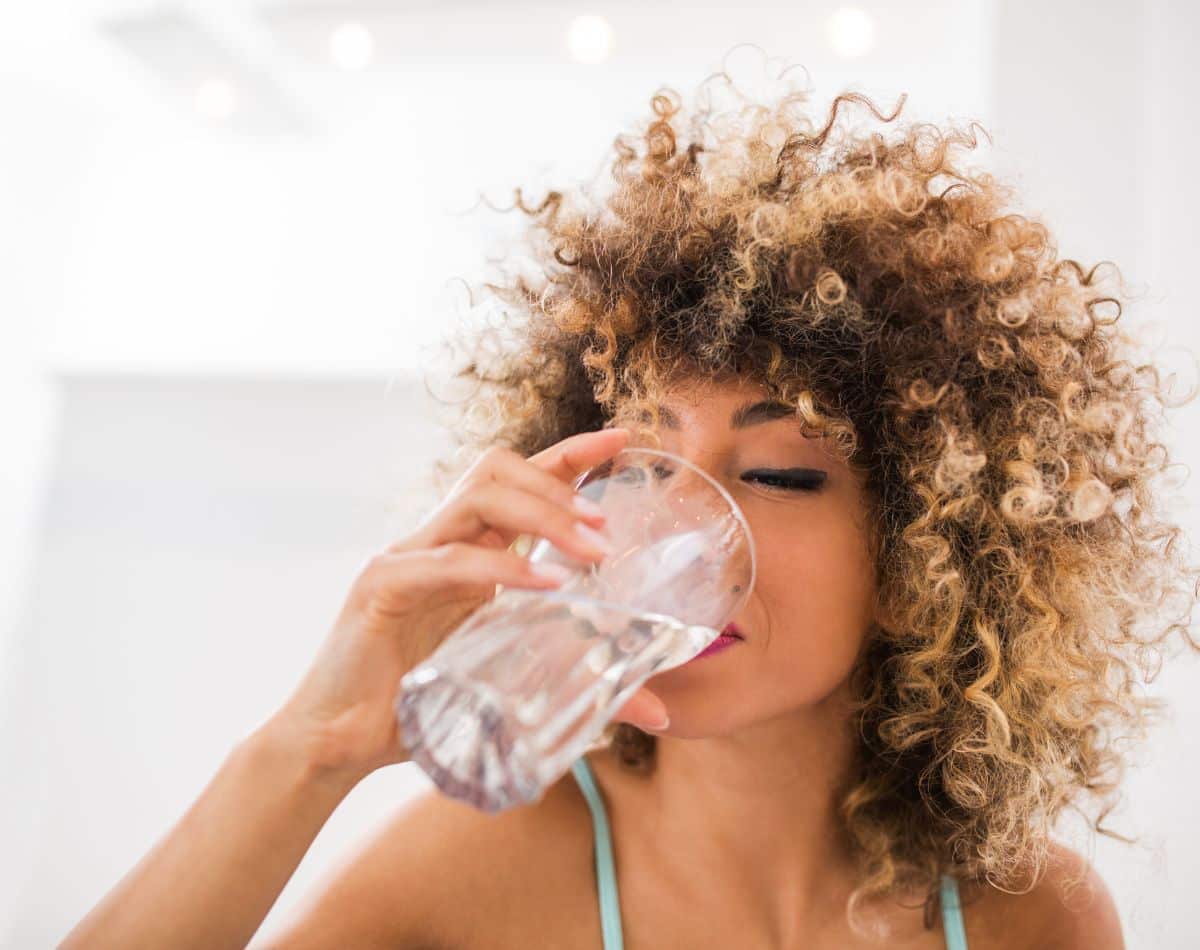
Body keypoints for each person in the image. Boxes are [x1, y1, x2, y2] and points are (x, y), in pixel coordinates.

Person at [62, 66, 1199, 949]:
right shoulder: (483, 870)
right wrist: (306, 750)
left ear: (922, 564)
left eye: (780, 472)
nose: (676, 525)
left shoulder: (1024, 911)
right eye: (643, 461)